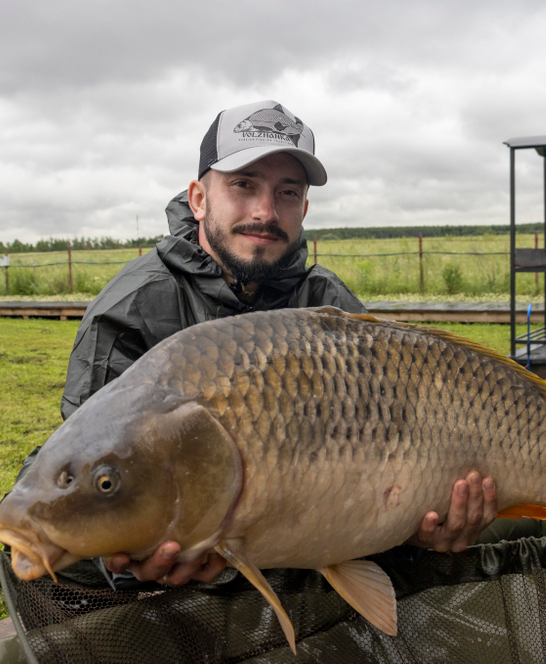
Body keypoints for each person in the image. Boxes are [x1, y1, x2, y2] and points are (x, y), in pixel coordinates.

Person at [34, 100, 499, 589]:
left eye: (287, 192)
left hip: (313, 563)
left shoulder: (328, 301)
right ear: (198, 198)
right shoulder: (130, 309)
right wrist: (125, 564)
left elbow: (393, 461)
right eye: (244, 185)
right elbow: (93, 481)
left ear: (304, 207)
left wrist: (418, 525)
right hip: (186, 601)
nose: (265, 211)